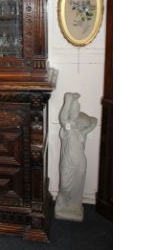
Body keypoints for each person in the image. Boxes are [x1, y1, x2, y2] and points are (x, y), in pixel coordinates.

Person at [55, 92, 97, 221]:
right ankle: (62, 204)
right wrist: (69, 101)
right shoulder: (67, 130)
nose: (84, 125)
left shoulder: (81, 133)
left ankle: (74, 205)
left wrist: (85, 121)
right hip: (68, 164)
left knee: (77, 188)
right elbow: (63, 118)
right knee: (65, 186)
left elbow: (94, 121)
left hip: (80, 164)